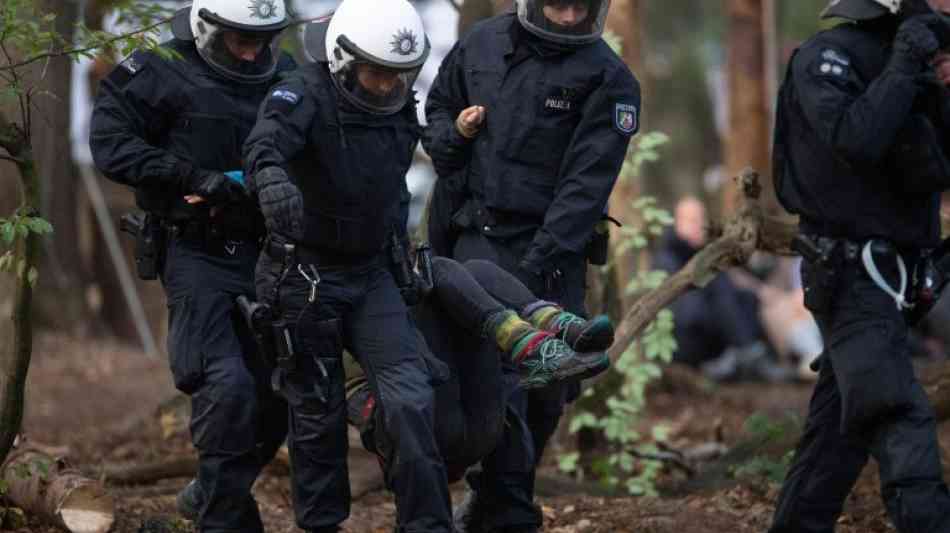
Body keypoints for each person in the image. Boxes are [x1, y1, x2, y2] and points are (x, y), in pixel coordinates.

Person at [423, 0, 640, 530]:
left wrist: (537, 262)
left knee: (550, 388)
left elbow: (584, 187)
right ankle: (505, 509)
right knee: (499, 378)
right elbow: (436, 120)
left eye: (580, 8)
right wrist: (457, 135)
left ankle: (499, 498)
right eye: (558, 5)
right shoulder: (480, 45)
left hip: (552, 253)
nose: (568, 17)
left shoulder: (609, 78)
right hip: (475, 235)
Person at [88, 1, 293, 531]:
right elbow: (109, 143)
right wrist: (188, 176)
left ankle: (209, 493)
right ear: (207, 27)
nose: (252, 51)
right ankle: (224, 521)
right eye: (238, 39)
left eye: (261, 39)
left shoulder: (288, 75)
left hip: (270, 256)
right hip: (195, 250)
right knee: (226, 387)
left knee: (277, 400)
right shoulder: (160, 66)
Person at [769, 0, 950, 531]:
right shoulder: (826, 57)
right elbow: (856, 139)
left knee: (838, 436)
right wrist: (903, 65)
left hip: (905, 275)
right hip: (848, 272)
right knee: (895, 411)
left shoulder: (930, 68)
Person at [345, 256, 616, 483]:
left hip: (478, 426)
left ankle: (553, 328)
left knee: (469, 269)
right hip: (431, 439)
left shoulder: (354, 294)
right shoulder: (357, 305)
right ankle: (535, 346)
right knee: (438, 269)